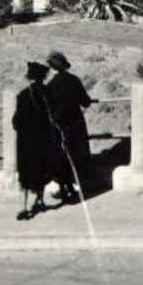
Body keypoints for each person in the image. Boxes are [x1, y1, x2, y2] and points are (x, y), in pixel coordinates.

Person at [44, 50, 93, 202]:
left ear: (52, 68)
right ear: (65, 66)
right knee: (77, 154)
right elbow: (86, 101)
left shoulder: (51, 86)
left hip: (59, 126)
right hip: (76, 124)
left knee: (60, 156)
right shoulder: (75, 80)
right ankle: (78, 188)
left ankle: (63, 187)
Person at [11, 61, 53, 220]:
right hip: (43, 139)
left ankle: (25, 206)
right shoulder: (48, 92)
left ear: (29, 76)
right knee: (41, 168)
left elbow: (15, 122)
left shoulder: (22, 95)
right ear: (43, 76)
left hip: (26, 141)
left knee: (25, 172)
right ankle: (40, 200)